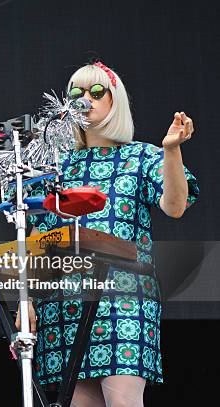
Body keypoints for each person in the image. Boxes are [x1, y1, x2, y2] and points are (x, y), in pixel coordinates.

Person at [17, 61, 199, 406]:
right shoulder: (55, 166)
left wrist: (171, 150)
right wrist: (25, 299)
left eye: (97, 91)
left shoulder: (140, 156)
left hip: (123, 300)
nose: (86, 98)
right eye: (77, 92)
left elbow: (175, 205)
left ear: (115, 100)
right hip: (63, 306)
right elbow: (38, 238)